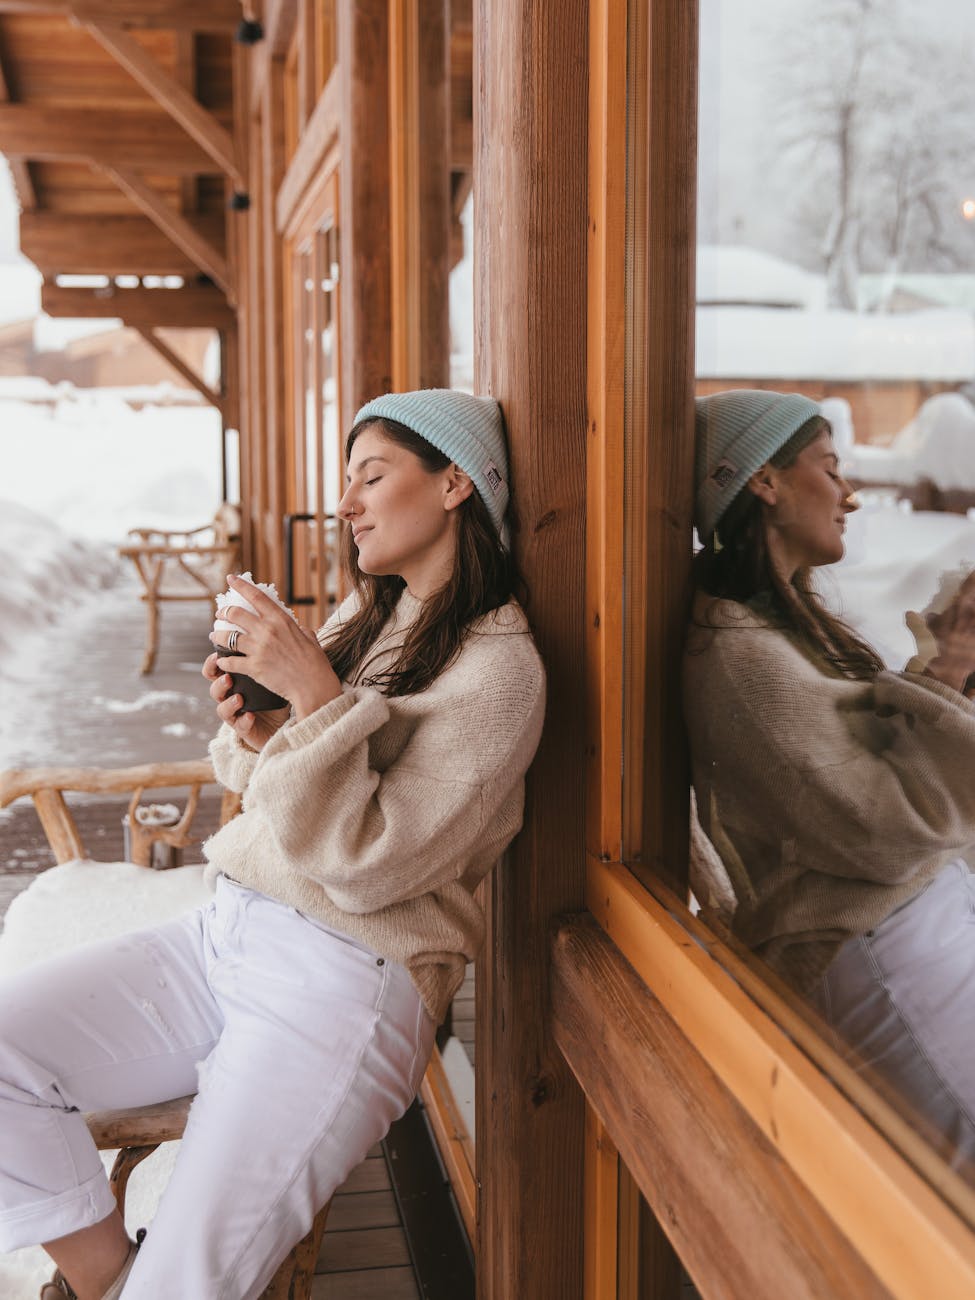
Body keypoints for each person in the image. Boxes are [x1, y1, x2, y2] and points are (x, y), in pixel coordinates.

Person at [0, 389, 545, 1298]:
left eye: (372, 476)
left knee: (191, 1283)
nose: (347, 504)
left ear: (456, 483)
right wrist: (263, 730)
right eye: (346, 482)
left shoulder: (500, 671)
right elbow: (273, 790)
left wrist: (316, 702)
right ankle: (105, 1280)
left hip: (345, 983)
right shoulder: (369, 619)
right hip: (227, 937)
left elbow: (370, 864)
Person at [684, 388, 975, 1171]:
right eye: (829, 468)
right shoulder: (737, 656)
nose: (847, 495)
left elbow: (870, 765)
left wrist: (950, 669)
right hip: (874, 945)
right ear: (763, 482)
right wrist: (947, 668)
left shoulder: (785, 624)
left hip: (911, 923)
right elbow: (877, 830)